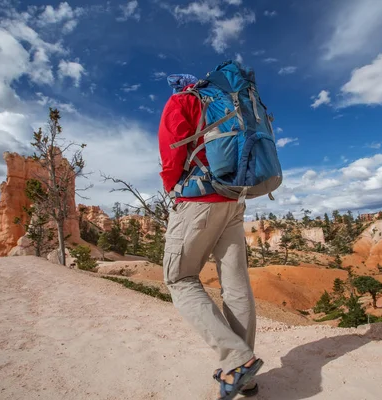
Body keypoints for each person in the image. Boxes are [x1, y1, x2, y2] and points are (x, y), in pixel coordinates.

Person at [158, 74, 263, 399]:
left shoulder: (182, 101)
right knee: (235, 285)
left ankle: (237, 361)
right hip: (233, 201)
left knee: (179, 278)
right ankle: (244, 375)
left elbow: (171, 153)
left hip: (199, 200)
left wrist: (173, 188)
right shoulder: (234, 105)